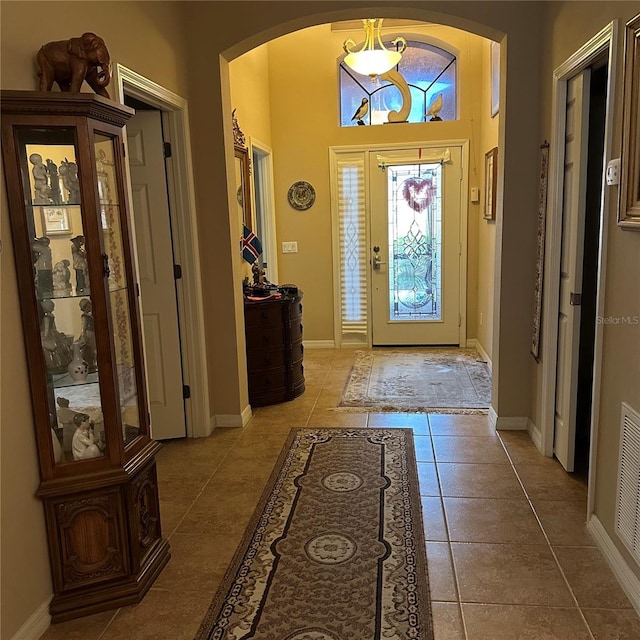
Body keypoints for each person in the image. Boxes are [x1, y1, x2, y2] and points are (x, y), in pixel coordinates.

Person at [40, 299, 73, 373]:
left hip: (49, 333)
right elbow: (54, 327)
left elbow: (47, 328)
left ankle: (54, 365)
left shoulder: (46, 318)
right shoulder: (51, 316)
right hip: (54, 332)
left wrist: (45, 336)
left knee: (51, 349)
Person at [78, 298, 97, 371]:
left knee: (93, 349)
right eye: (88, 307)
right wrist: (83, 335)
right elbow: (83, 326)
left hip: (92, 332)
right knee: (89, 348)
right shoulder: (84, 317)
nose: (90, 308)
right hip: (89, 333)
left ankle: (93, 363)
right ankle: (89, 363)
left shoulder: (90, 315)